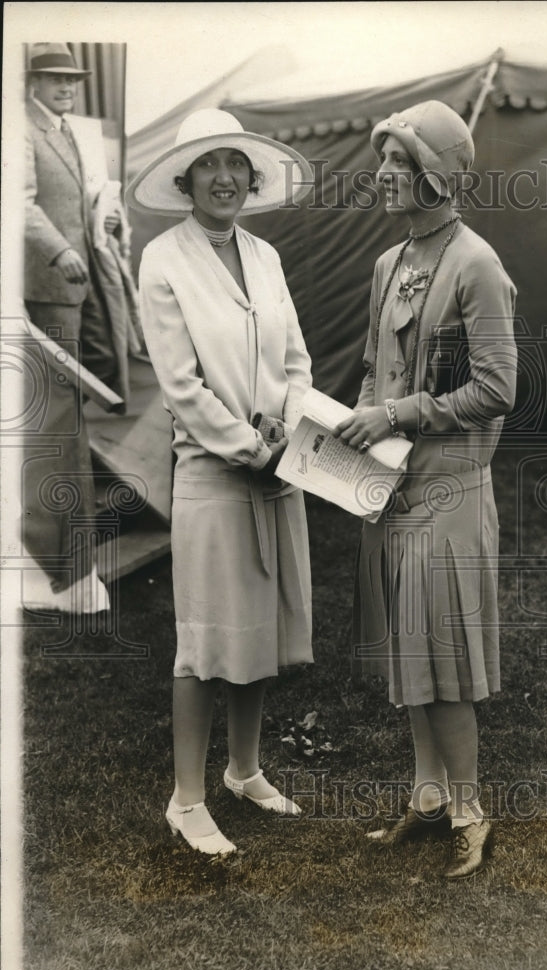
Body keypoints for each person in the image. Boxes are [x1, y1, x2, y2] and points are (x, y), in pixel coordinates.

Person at [335, 100, 517, 879]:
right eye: (384, 163)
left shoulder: (477, 264)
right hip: (392, 490)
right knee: (411, 658)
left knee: (443, 663)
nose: (382, 175)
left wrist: (399, 411)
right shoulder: (387, 264)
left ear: (437, 178)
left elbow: (498, 387)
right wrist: (337, 422)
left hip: (451, 491)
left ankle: (473, 812)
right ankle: (430, 798)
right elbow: (378, 374)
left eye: (399, 165)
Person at [128, 109, 314, 855]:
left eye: (235, 163)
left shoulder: (265, 256)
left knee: (259, 628)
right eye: (209, 165)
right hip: (212, 470)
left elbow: (295, 360)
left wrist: (290, 428)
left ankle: (243, 770)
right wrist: (249, 445)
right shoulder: (163, 259)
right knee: (204, 640)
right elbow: (181, 385)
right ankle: (186, 797)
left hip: (278, 465)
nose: (226, 177)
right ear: (185, 178)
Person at [23, 42, 129, 611]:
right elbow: (18, 203)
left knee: (76, 416)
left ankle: (75, 570)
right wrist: (62, 247)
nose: (67, 86)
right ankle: (61, 573)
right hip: (45, 290)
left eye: (72, 78)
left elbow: (81, 198)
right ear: (32, 83)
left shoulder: (69, 131)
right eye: (55, 78)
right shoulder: (21, 129)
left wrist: (100, 218)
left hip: (80, 287)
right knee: (54, 426)